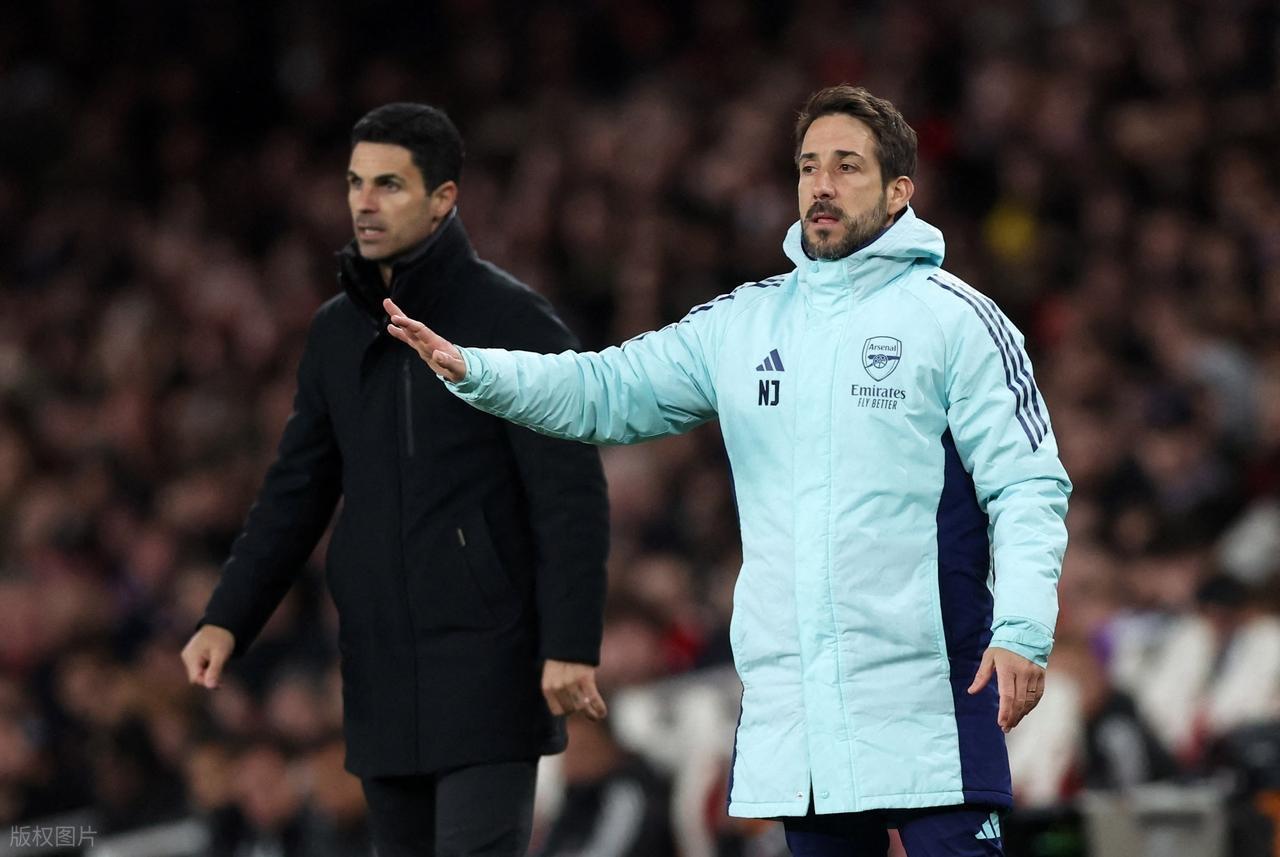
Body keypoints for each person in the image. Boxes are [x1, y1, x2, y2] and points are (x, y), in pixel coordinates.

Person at [387, 86, 1071, 857]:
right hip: (803, 716)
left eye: (847, 166)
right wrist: (475, 369)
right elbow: (605, 388)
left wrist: (1022, 628)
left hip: (930, 698)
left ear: (897, 192)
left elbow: (1027, 484)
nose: (821, 184)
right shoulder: (744, 323)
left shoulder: (956, 320)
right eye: (808, 166)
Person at [180, 102, 611, 857]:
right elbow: (296, 490)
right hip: (380, 671)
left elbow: (569, 491)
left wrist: (570, 641)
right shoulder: (335, 334)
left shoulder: (511, 320)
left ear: (443, 199)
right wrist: (229, 616)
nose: (365, 203)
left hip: (490, 665)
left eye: (389, 184)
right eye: (355, 183)